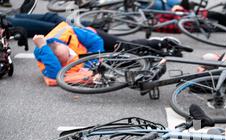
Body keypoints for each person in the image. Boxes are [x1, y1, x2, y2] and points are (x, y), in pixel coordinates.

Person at [8, 12, 178, 85]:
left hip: (94, 39)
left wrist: (93, 62)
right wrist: (43, 47)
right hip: (87, 55)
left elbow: (95, 41)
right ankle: (151, 61)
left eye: (68, 52)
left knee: (124, 45)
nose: (70, 56)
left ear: (62, 44)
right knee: (117, 62)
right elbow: (53, 73)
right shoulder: (45, 54)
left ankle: (159, 43)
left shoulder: (66, 33)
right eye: (66, 58)